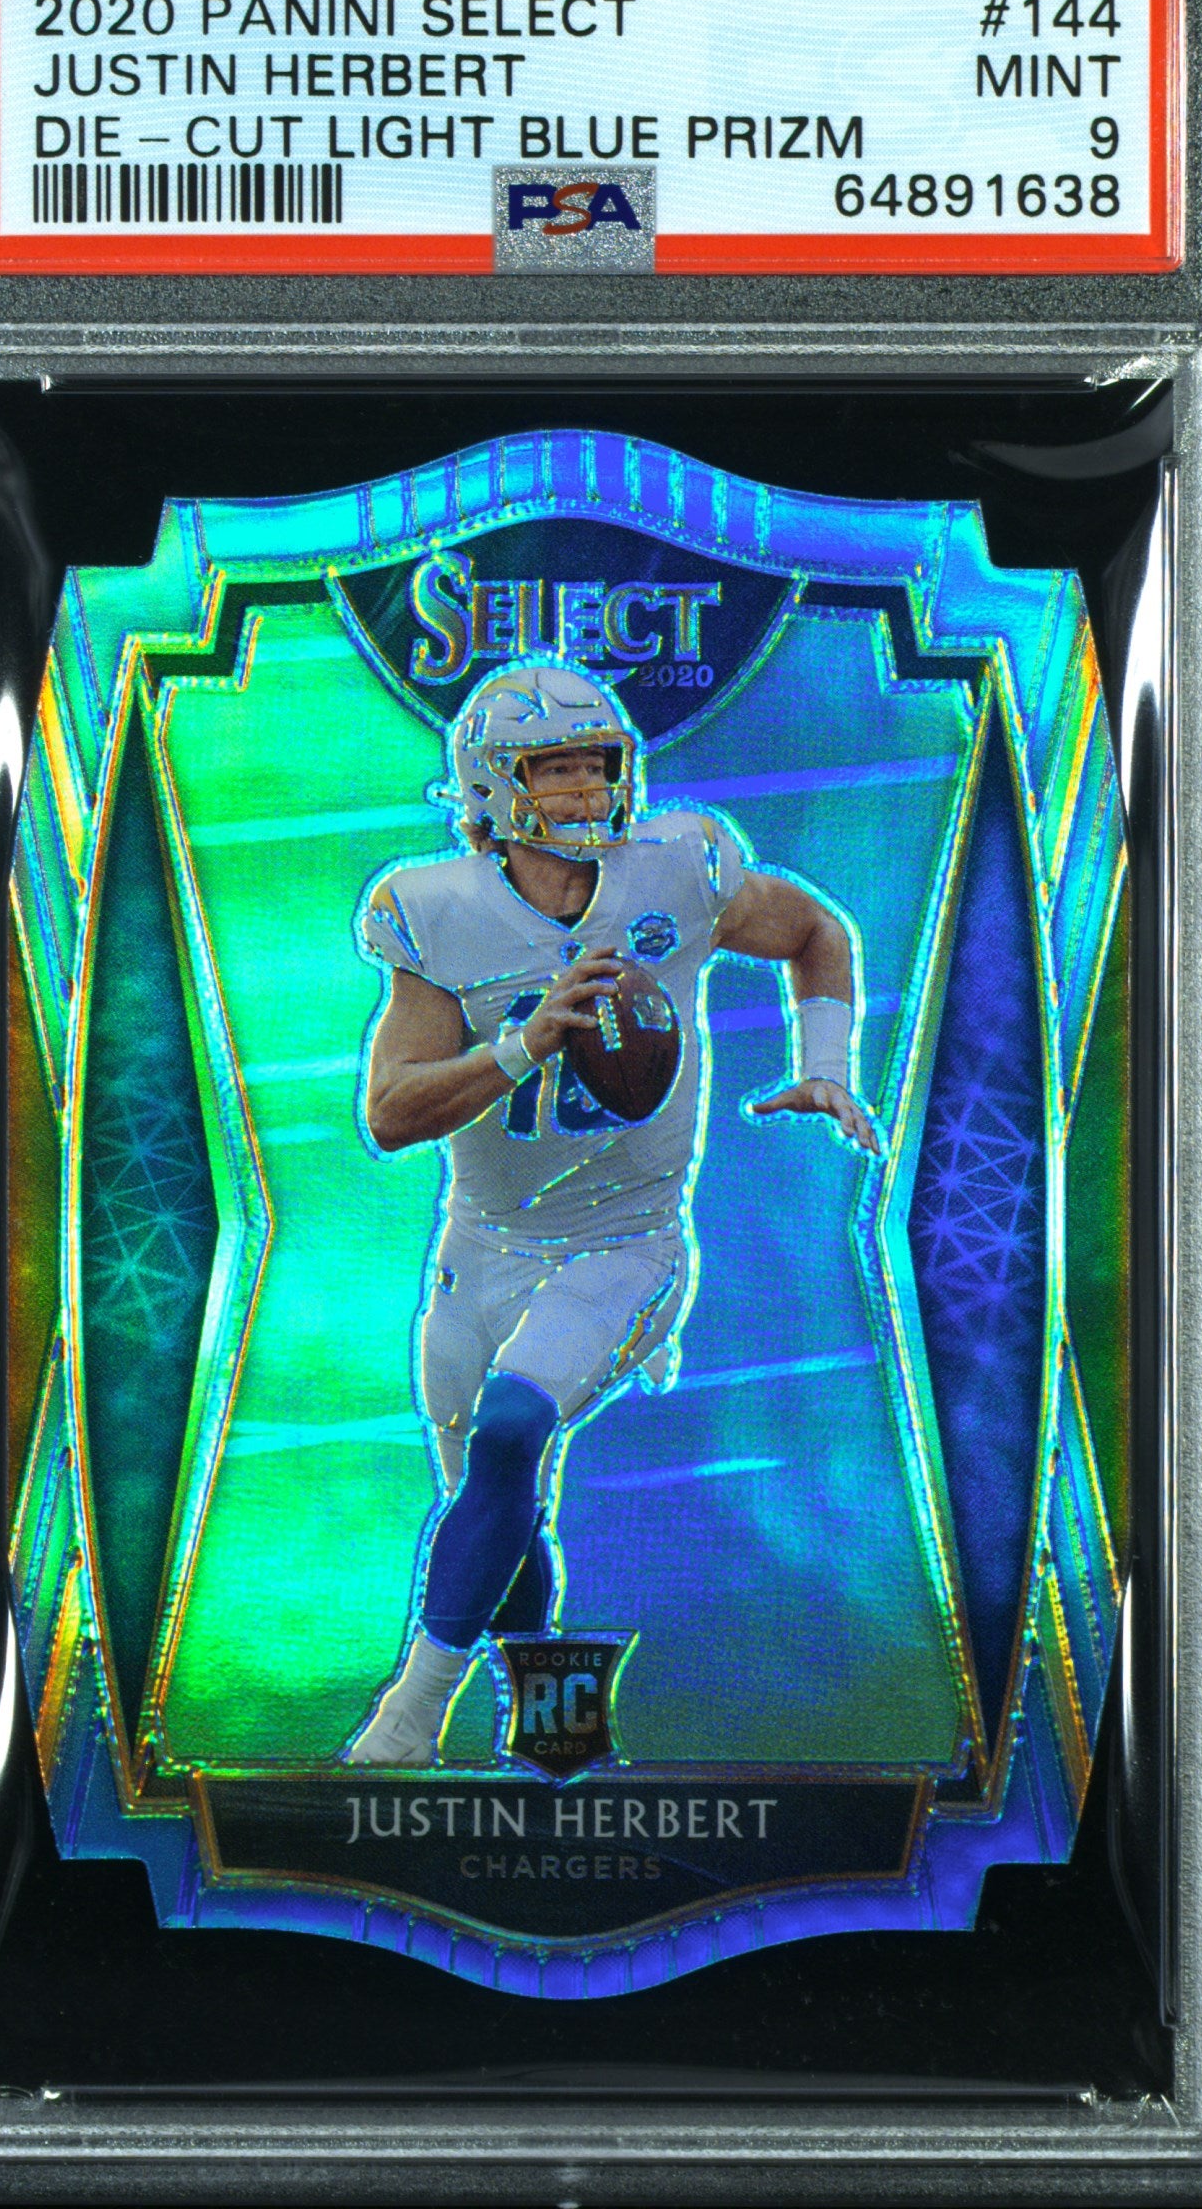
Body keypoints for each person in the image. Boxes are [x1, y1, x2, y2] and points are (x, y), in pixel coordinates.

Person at [345, 661, 879, 1766]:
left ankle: (409, 1717)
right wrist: (522, 1044)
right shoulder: (435, 910)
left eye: (598, 764)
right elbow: (390, 1117)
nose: (588, 789)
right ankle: (553, 1737)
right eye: (557, 769)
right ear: (491, 787)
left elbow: (814, 929)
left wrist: (825, 1063)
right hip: (482, 1245)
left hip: (628, 1240)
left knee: (510, 1434)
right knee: (494, 1498)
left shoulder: (679, 867)